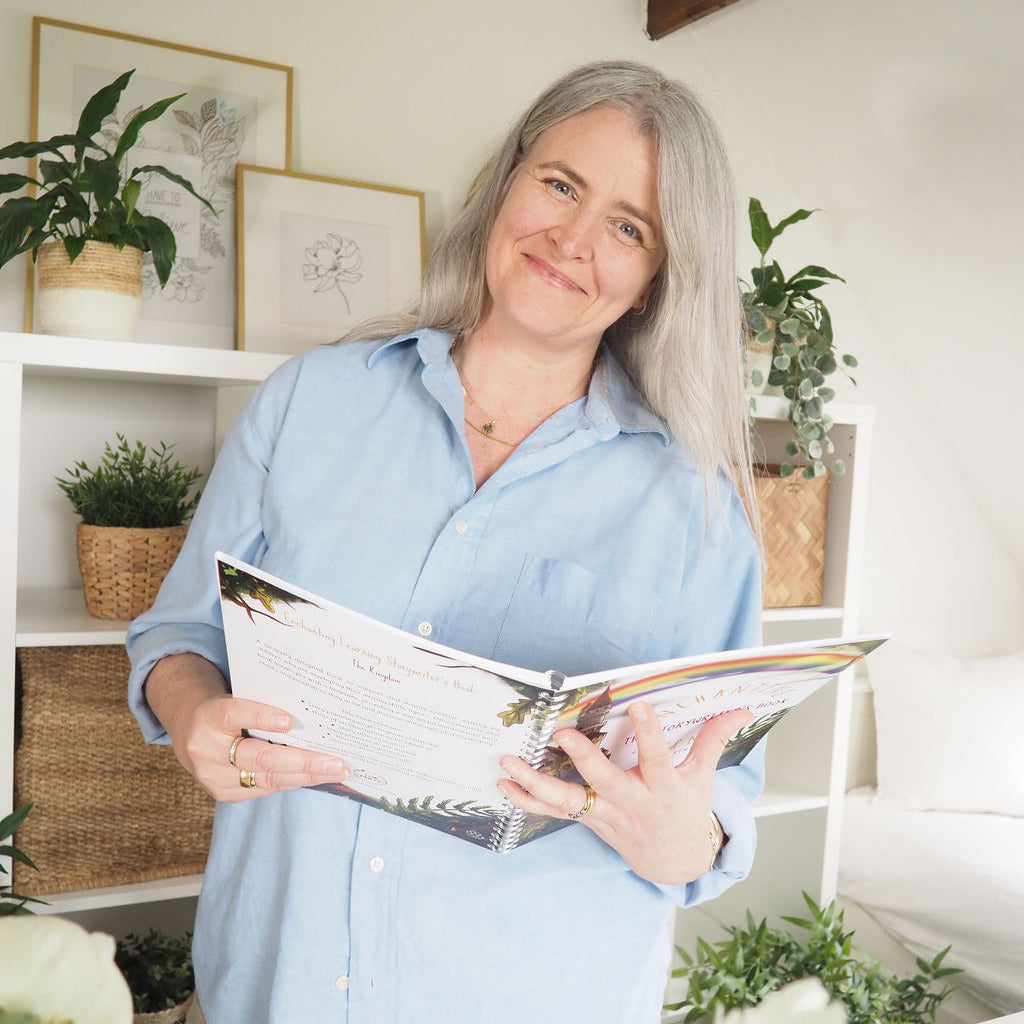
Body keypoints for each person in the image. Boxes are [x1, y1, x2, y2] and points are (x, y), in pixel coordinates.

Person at [127, 59, 764, 1024]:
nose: (574, 240)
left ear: (653, 282)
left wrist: (678, 838)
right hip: (274, 987)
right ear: (504, 182)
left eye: (629, 228)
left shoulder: (698, 513)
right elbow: (176, 638)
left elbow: (712, 821)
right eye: (559, 184)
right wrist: (194, 720)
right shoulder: (312, 401)